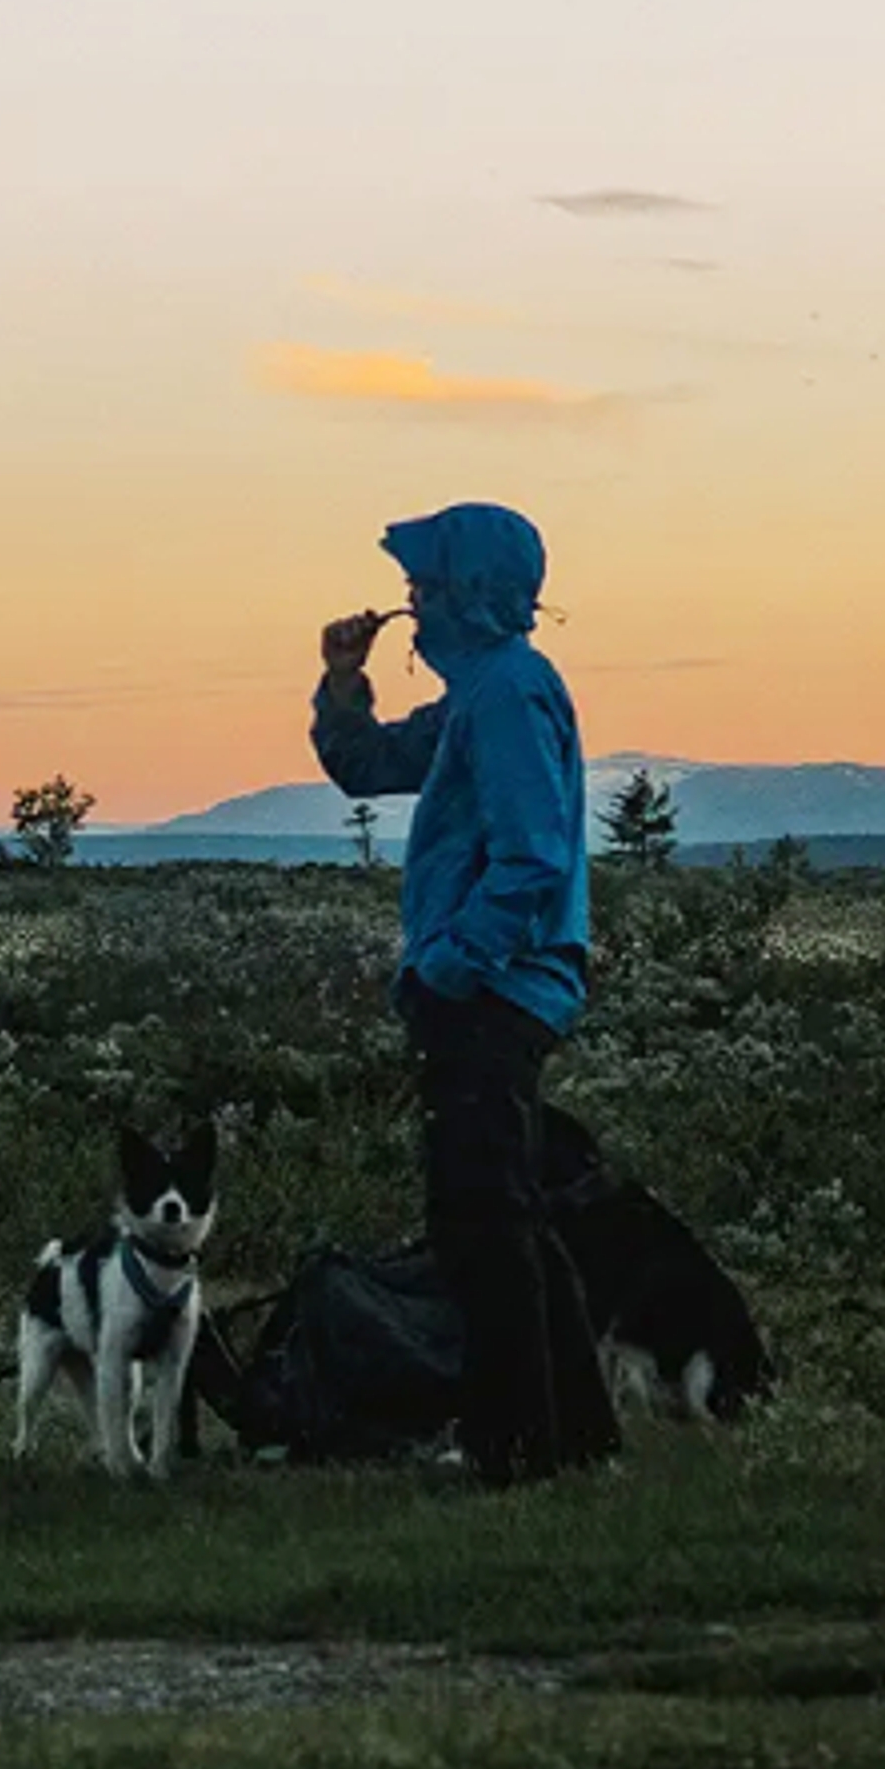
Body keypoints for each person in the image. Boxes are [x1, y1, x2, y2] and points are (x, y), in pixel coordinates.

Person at [311, 500, 620, 1485]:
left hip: (492, 992)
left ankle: (514, 1446)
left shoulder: (507, 694)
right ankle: (573, 1437)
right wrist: (341, 681)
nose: (410, 601)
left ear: (470, 592)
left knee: (481, 1221)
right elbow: (366, 766)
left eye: (426, 584)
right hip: (494, 987)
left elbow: (530, 861)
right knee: (503, 1213)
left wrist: (451, 967)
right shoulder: (483, 692)